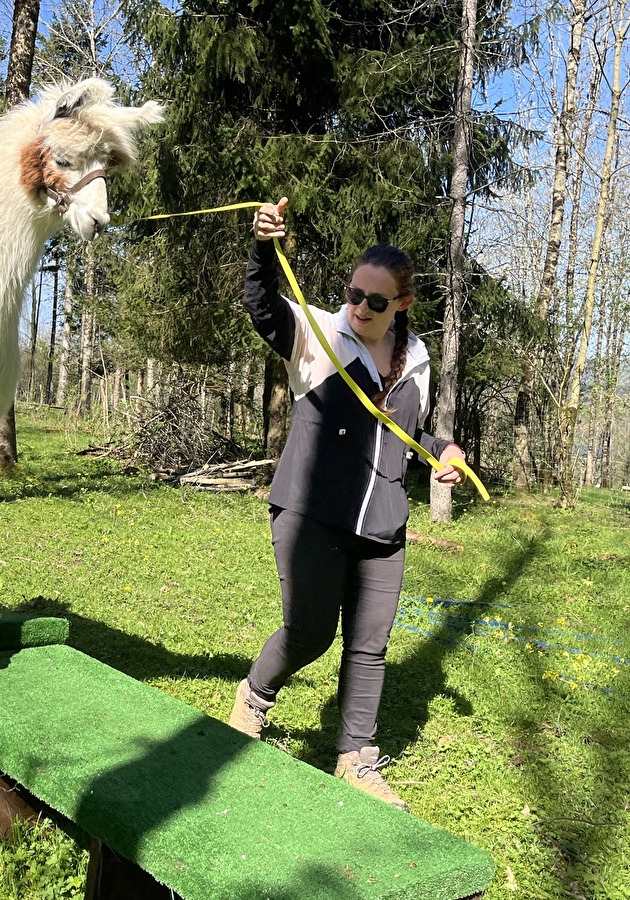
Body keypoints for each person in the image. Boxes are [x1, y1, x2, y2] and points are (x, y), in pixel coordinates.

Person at [228, 197, 467, 810]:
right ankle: (253, 698)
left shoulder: (415, 359)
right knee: (310, 633)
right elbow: (261, 306)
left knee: (369, 644)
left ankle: (357, 759)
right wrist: (263, 247)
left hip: (383, 524)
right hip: (310, 515)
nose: (359, 308)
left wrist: (443, 451)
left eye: (376, 301)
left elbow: (407, 437)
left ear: (404, 306)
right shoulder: (319, 333)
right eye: (354, 294)